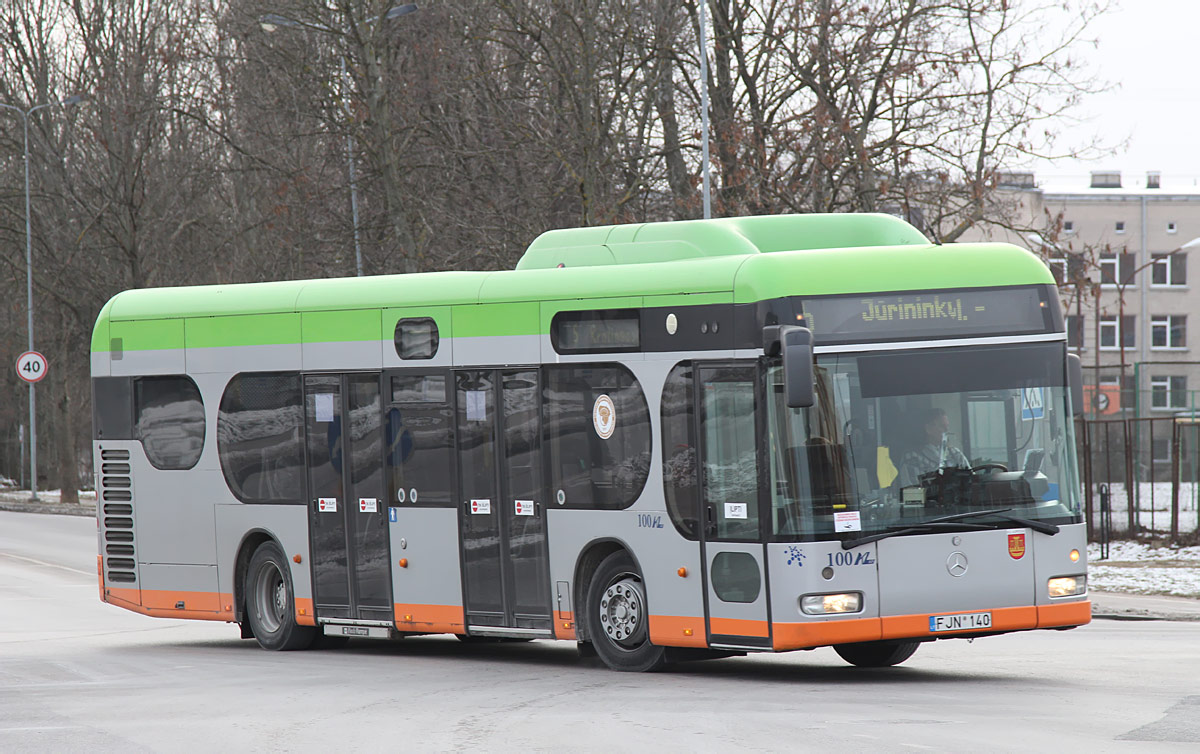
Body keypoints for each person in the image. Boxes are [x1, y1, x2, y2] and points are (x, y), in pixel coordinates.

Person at [898, 408, 969, 487]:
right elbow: (913, 491)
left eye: (947, 426)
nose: (947, 430)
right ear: (928, 429)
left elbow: (971, 481)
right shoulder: (912, 457)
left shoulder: (956, 454)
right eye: (942, 426)